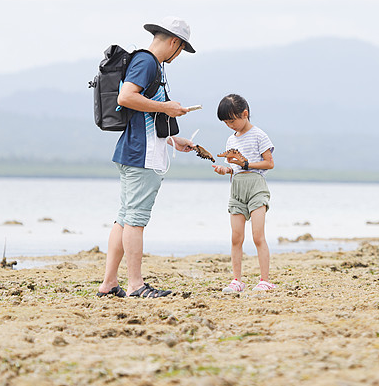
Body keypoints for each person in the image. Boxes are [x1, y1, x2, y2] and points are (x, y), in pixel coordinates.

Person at [97, 16, 196, 299]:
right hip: (142, 155)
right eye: (181, 50)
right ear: (175, 42)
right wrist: (166, 107)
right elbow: (126, 97)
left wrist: (174, 140)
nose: (178, 56)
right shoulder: (148, 62)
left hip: (137, 149)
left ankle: (108, 284)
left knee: (125, 218)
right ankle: (136, 284)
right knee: (136, 219)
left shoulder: (148, 64)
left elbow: (146, 116)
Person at [212, 94, 276, 293]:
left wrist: (246, 164)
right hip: (237, 189)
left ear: (245, 114)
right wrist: (226, 169)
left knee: (258, 236)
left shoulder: (259, 135)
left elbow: (269, 163)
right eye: (226, 122)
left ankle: (264, 280)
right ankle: (237, 280)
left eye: (232, 120)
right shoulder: (231, 139)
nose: (230, 125)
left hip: (256, 187)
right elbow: (233, 167)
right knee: (236, 237)